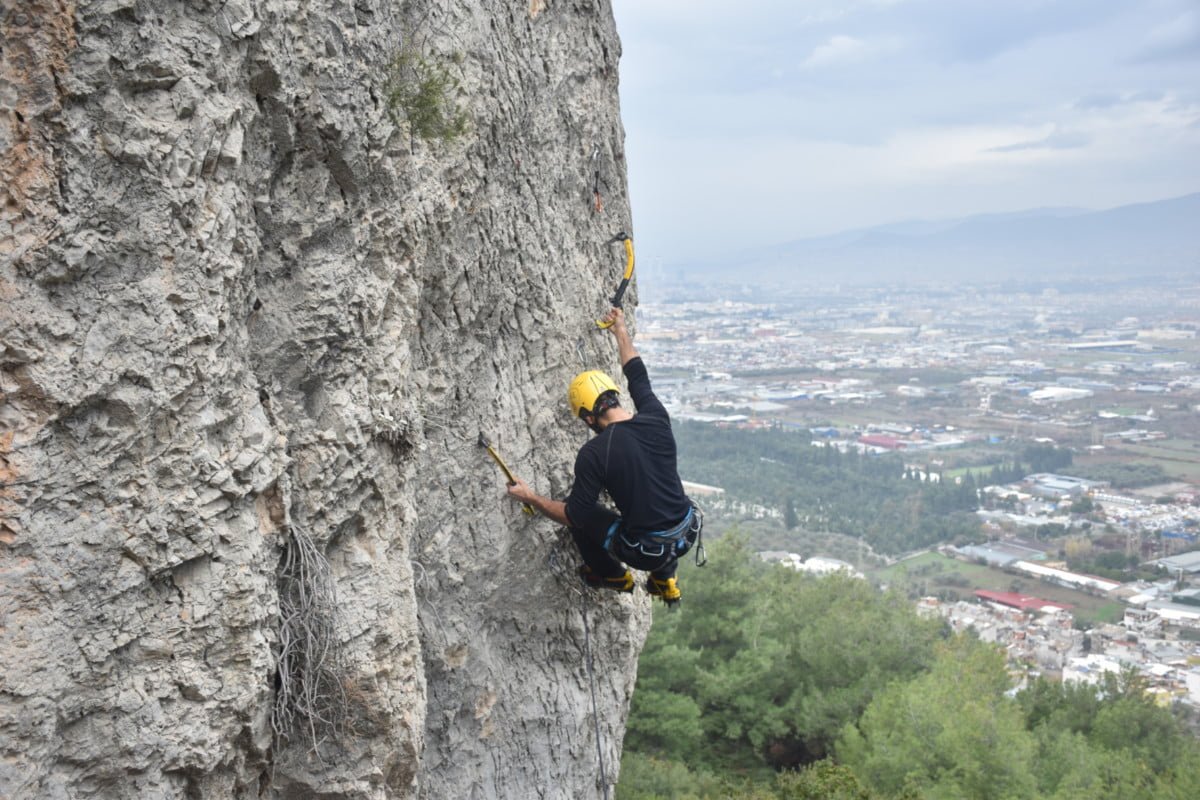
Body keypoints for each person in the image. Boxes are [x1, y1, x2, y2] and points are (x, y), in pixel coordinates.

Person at [506, 308, 700, 605]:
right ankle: (664, 579)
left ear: (587, 419)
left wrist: (532, 499)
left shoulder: (594, 453)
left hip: (645, 551)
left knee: (583, 516)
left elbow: (575, 515)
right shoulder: (655, 416)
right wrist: (619, 329)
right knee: (658, 502)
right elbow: (637, 373)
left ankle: (610, 574)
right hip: (687, 533)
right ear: (614, 396)